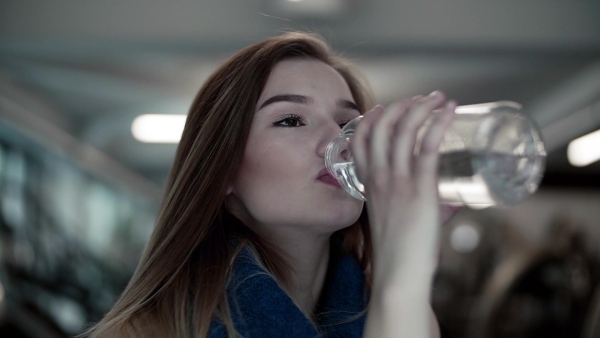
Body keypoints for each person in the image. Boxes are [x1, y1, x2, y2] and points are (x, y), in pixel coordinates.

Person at [84, 32, 457, 338]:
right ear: (224, 170)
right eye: (292, 120)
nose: (337, 141)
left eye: (347, 122)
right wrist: (400, 278)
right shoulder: (143, 333)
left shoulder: (404, 311)